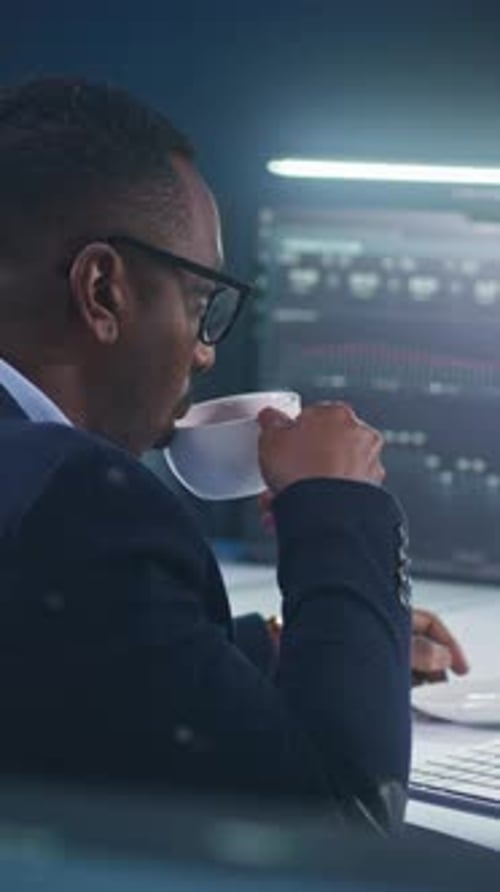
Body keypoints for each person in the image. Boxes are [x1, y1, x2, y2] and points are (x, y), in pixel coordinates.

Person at [0, 78, 460, 836]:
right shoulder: (78, 500)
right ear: (103, 291)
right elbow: (345, 825)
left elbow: (65, 663)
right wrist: (337, 512)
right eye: (199, 302)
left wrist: (297, 647)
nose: (207, 352)